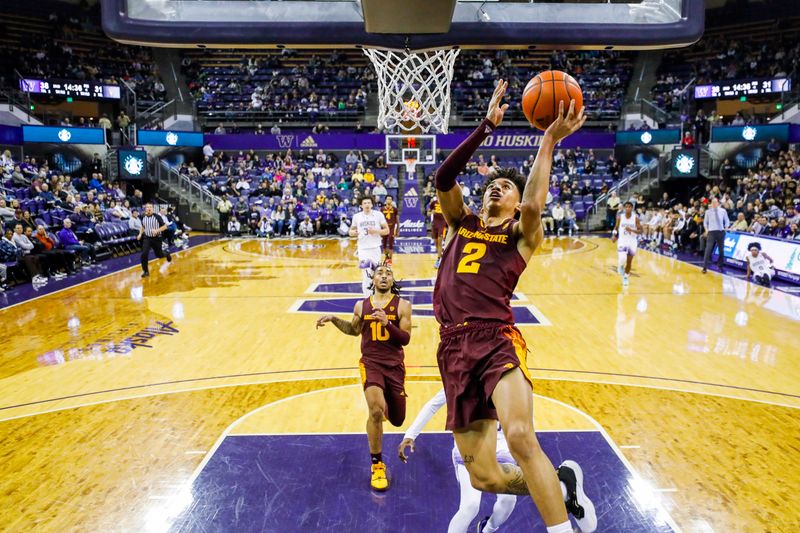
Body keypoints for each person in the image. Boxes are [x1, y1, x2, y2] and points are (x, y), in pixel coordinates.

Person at [432, 80, 596, 533]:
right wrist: (485, 126)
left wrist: (548, 141)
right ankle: (561, 487)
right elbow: (444, 179)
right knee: (484, 475)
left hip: (495, 337)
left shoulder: (520, 236)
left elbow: (533, 205)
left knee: (521, 436)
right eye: (491, 185)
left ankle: (561, 528)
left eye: (504, 187)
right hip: (451, 347)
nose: (495, 189)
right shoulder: (460, 224)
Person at [315, 265, 412, 492]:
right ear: (373, 279)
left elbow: (405, 339)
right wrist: (334, 319)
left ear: (393, 280)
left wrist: (388, 324)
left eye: (388, 274)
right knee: (376, 410)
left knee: (398, 419)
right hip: (371, 363)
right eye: (380, 273)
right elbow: (353, 330)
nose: (384, 276)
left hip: (395, 367)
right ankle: (377, 465)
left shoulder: (403, 306)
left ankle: (385, 405)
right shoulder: (362, 305)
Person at [349, 196, 389, 296]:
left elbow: (387, 230)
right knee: (366, 273)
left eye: (369, 203)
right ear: (361, 205)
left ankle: (376, 295)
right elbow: (350, 231)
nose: (367, 204)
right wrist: (354, 232)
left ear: (372, 204)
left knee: (376, 273)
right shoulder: (356, 217)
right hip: (363, 249)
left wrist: (376, 231)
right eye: (365, 203)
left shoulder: (378, 215)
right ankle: (367, 298)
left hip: (375, 248)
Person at [612, 201, 643, 287]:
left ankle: (625, 277)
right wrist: (614, 235)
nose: (628, 208)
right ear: (624, 208)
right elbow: (616, 227)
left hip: (632, 241)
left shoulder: (636, 218)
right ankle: (620, 265)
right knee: (622, 258)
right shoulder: (620, 217)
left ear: (632, 208)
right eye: (626, 207)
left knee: (629, 262)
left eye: (629, 207)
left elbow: (641, 231)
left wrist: (632, 230)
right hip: (622, 240)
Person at [137, 203, 172, 278]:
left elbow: (165, 227)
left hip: (157, 238)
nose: (149, 208)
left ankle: (166, 254)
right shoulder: (143, 217)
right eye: (147, 207)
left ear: (152, 209)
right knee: (144, 254)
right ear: (145, 209)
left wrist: (157, 230)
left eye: (150, 207)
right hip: (147, 238)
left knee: (159, 255)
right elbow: (143, 226)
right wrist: (140, 234)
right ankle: (146, 271)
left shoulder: (157, 217)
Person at [702, 197, 729, 274]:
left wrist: (726, 227)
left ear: (718, 203)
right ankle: (704, 267)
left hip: (720, 232)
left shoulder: (723, 211)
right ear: (711, 203)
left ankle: (720, 265)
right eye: (712, 202)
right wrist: (706, 230)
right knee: (708, 249)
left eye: (715, 202)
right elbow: (705, 223)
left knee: (721, 250)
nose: (714, 204)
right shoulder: (708, 212)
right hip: (711, 232)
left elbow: (727, 220)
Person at [429, 197, 447, 268]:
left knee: (440, 242)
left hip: (442, 223)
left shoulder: (445, 202)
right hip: (435, 223)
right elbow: (428, 212)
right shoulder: (433, 202)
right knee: (436, 242)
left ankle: (438, 259)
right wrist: (431, 212)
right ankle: (440, 255)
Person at [381, 196, 398, 265]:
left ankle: (390, 259)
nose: (389, 200)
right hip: (384, 228)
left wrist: (398, 229)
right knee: (384, 244)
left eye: (390, 199)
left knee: (391, 242)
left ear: (392, 201)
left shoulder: (394, 209)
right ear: (385, 200)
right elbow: (380, 219)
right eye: (388, 199)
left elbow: (397, 219)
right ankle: (386, 257)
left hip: (392, 227)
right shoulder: (382, 209)